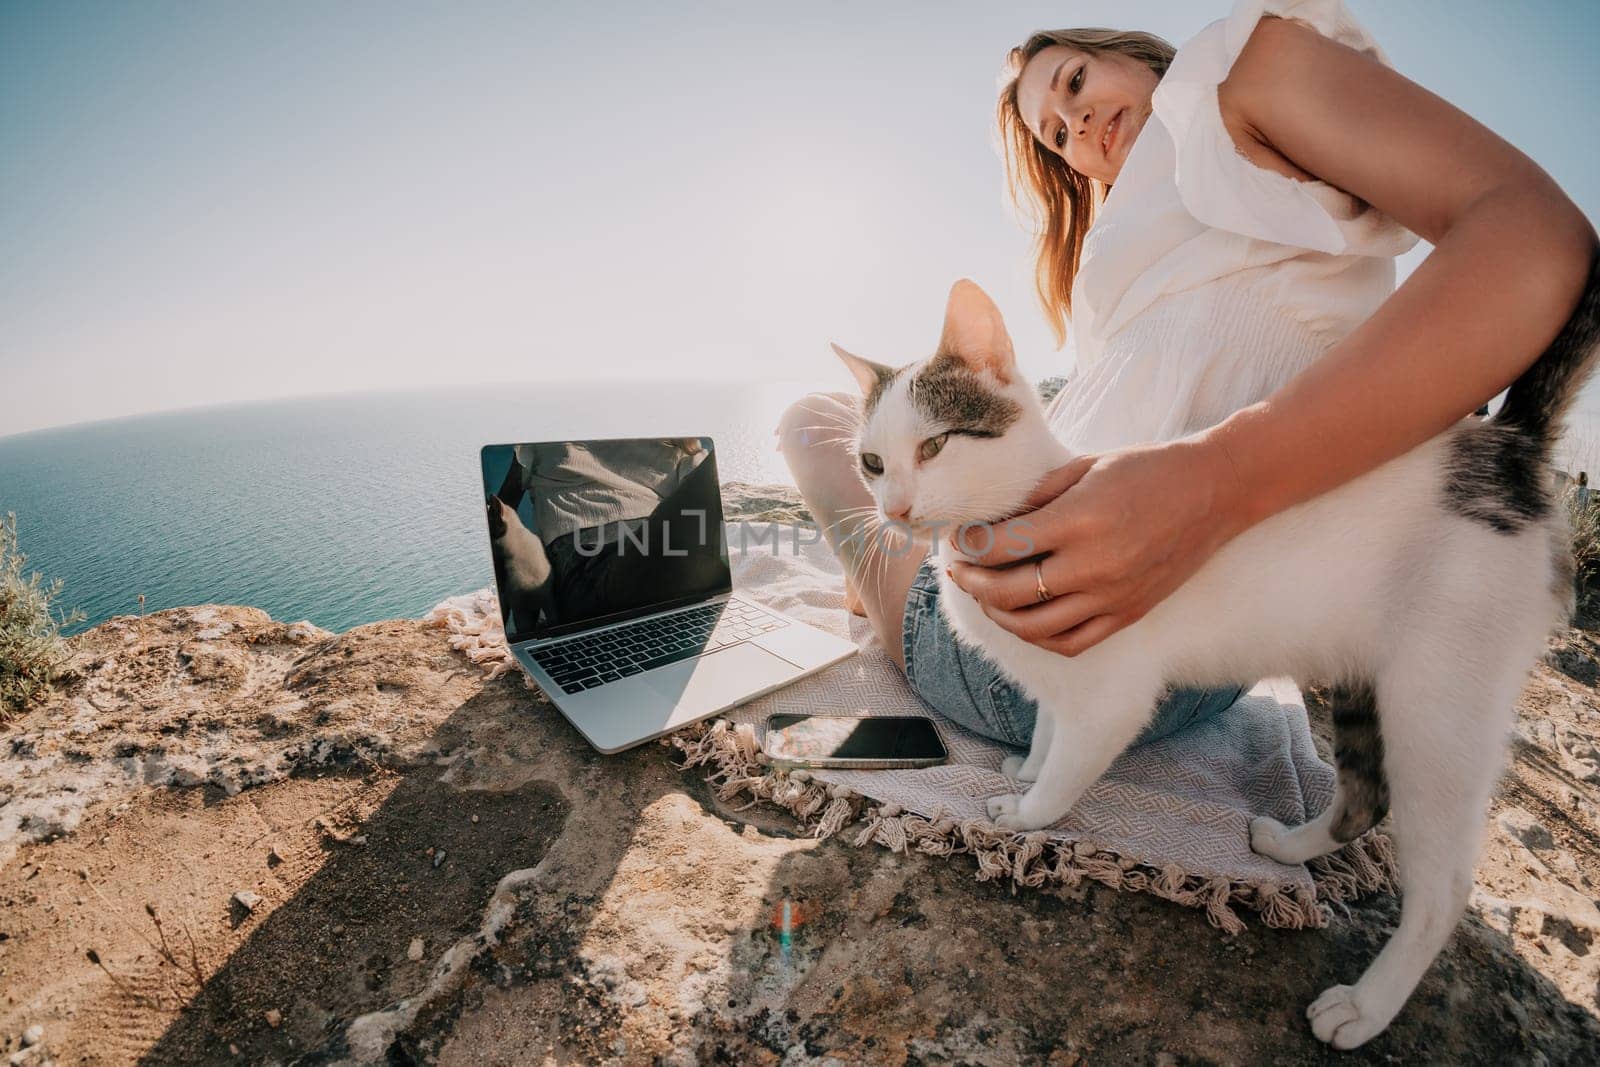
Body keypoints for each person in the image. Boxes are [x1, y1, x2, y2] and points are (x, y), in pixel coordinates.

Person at [775, 0, 1596, 752]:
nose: (1077, 121)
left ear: (1135, 55)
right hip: (1127, 656)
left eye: (1074, 82)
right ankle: (883, 577)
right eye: (1057, 134)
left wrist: (1212, 481)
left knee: (806, 420)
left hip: (1050, 657)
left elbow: (1533, 238)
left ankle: (873, 584)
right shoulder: (1132, 249)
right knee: (852, 425)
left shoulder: (1236, 75)